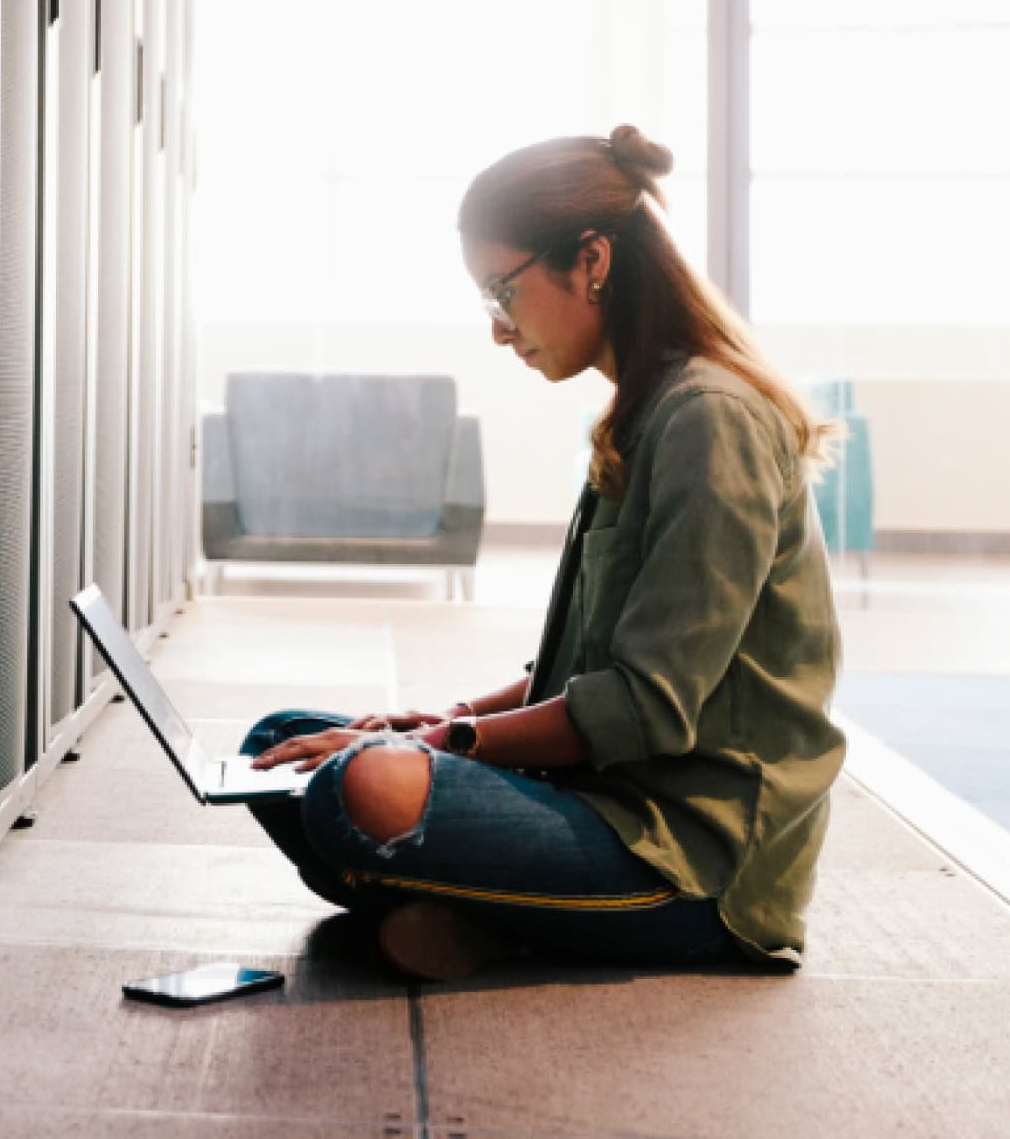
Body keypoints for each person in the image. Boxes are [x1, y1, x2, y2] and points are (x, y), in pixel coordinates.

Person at [238, 124, 845, 980]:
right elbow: (581, 670)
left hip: (693, 863)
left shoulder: (711, 418)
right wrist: (431, 722)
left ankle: (494, 920)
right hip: (605, 799)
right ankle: (494, 920)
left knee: (355, 789)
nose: (497, 328)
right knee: (282, 745)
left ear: (589, 260)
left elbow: (644, 708)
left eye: (500, 291)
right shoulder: (645, 413)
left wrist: (445, 744)